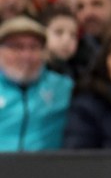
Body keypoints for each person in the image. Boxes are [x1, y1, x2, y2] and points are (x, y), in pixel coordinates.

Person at [0, 15, 72, 151]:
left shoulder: (64, 88)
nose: (26, 56)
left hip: (46, 168)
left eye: (34, 47)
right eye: (17, 47)